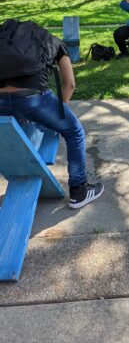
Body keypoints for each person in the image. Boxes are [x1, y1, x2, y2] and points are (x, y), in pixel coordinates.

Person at [0, 21, 104, 209]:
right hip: (32, 99)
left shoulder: (3, 42)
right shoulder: (51, 41)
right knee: (74, 132)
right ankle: (79, 190)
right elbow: (70, 84)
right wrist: (58, 113)